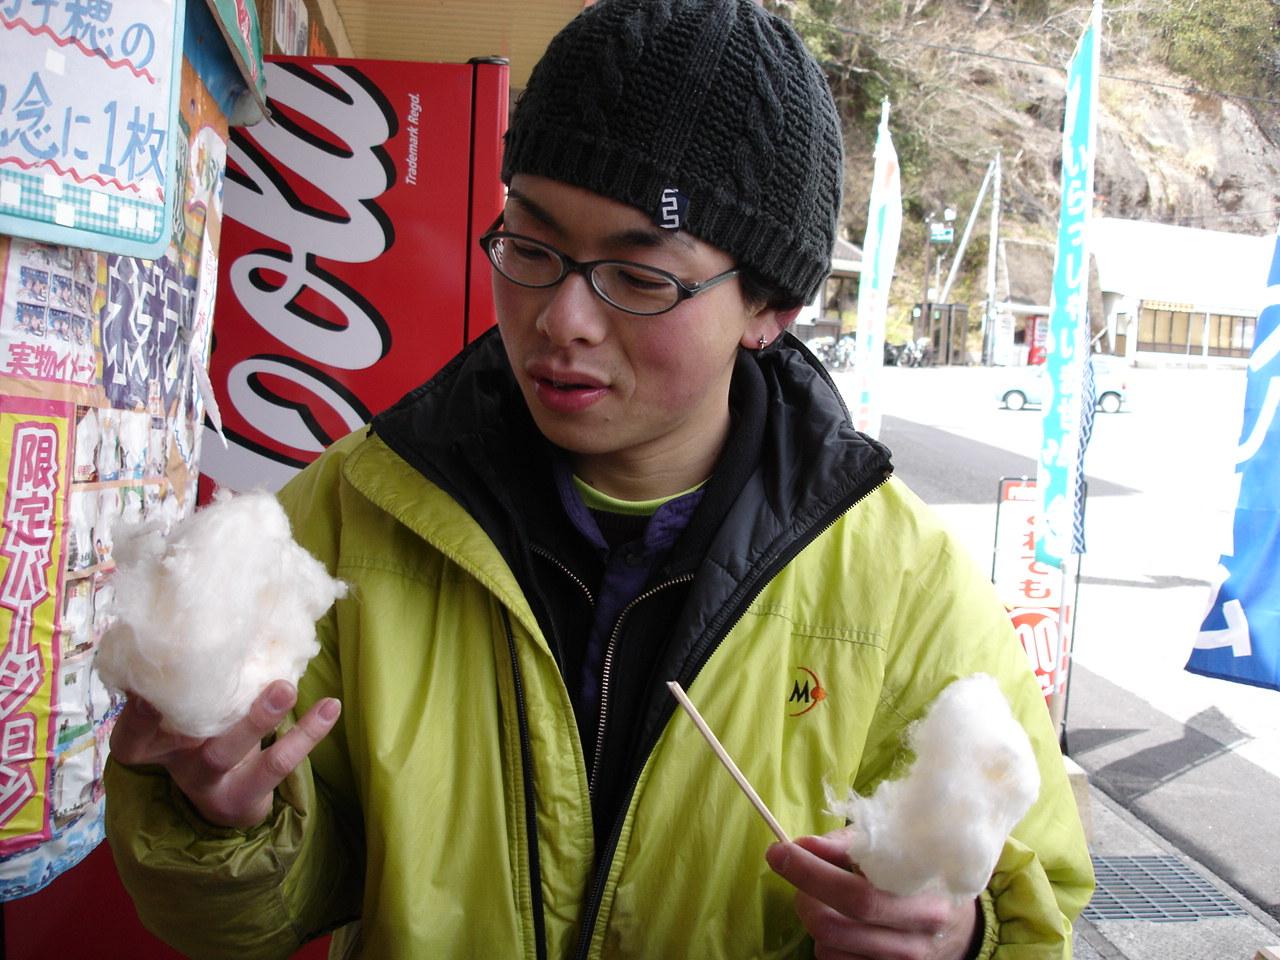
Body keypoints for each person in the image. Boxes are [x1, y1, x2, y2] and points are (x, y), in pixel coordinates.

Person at [104, 1, 1093, 957]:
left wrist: (959, 941)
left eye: (638, 275)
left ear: (769, 308)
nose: (561, 319)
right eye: (530, 246)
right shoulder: (353, 511)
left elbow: (1033, 910)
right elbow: (248, 916)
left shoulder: (903, 586)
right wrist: (216, 819)